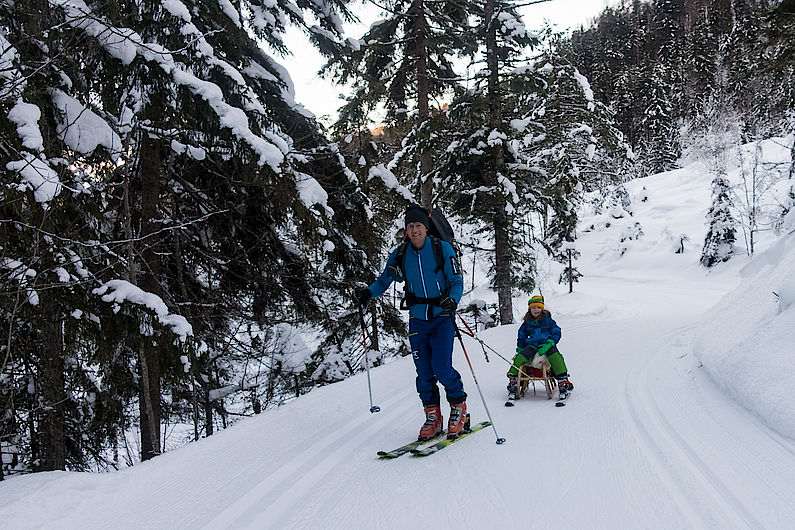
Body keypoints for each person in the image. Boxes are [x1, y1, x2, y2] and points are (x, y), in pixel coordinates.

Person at [356, 204, 467, 440]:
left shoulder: (442, 249)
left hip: (442, 317)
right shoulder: (400, 253)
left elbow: (457, 281)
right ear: (406, 230)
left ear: (425, 228)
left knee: (442, 367)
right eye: (410, 226)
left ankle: (459, 409)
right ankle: (433, 416)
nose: (414, 230)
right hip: (418, 319)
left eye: (418, 225)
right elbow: (384, 279)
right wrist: (368, 293)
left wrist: (453, 301)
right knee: (424, 372)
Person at [507, 294, 573, 399]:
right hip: (532, 345)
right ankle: (513, 380)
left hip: (546, 344)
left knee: (555, 356)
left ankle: (562, 380)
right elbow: (522, 334)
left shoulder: (547, 320)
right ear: (530, 309)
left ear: (542, 309)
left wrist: (551, 342)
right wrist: (520, 347)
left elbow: (556, 331)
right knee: (520, 357)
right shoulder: (527, 322)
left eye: (538, 307)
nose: (536, 310)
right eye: (533, 308)